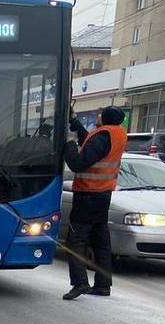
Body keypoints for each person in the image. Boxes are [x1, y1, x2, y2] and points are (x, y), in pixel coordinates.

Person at [61, 107, 127, 301]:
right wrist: (74, 121)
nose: (97, 116)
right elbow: (89, 140)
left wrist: (69, 144)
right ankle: (103, 285)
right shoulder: (116, 134)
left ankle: (80, 282)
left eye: (100, 114)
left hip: (88, 195)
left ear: (105, 118)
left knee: (76, 240)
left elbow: (79, 163)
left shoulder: (103, 136)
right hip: (102, 194)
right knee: (101, 241)